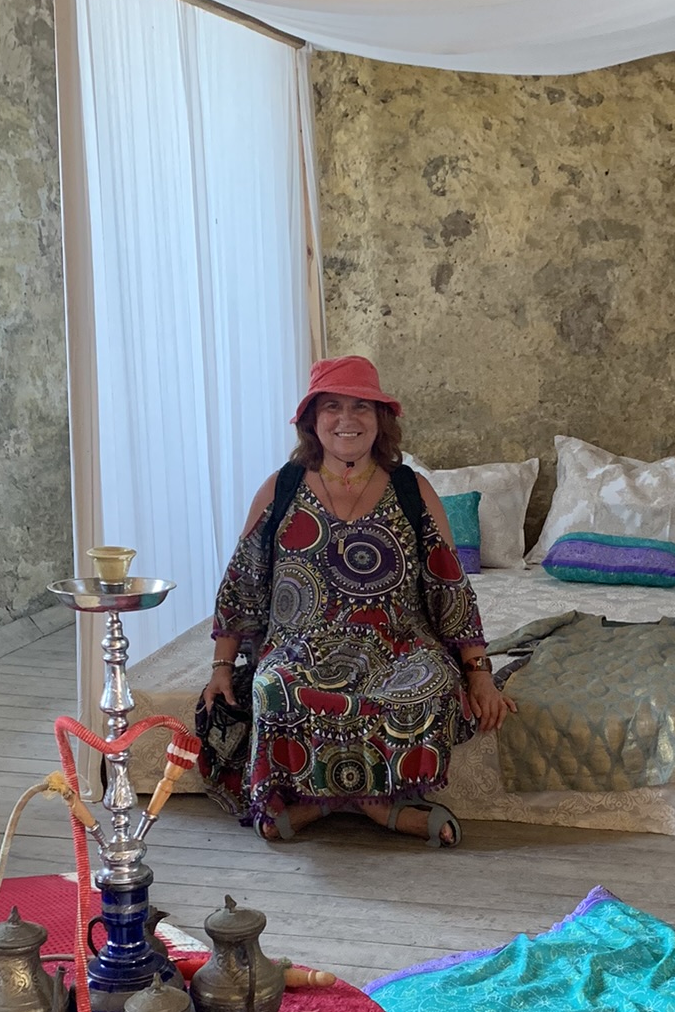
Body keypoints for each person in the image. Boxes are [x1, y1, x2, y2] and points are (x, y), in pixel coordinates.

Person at [197, 355, 514, 846]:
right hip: (300, 650)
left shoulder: (412, 489)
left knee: (428, 686)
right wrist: (222, 667)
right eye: (332, 406)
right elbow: (243, 583)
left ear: (380, 419)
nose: (347, 418)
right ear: (312, 420)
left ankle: (359, 804)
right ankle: (370, 804)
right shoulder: (281, 488)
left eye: (361, 406)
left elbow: (449, 586)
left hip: (400, 649)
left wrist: (479, 673)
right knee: (273, 686)